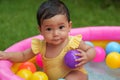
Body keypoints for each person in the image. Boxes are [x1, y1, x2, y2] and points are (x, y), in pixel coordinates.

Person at [0, 0, 96, 80]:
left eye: (61, 27)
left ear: (69, 26)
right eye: (49, 29)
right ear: (41, 30)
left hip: (77, 75)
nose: (55, 34)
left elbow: (91, 49)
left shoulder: (73, 42)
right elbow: (23, 55)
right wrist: (7, 55)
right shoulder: (41, 46)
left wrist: (87, 56)